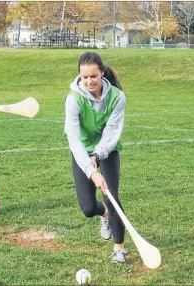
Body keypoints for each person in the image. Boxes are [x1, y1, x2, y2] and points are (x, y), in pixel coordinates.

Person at [64, 52, 127, 263]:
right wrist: (91, 171)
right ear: (80, 77)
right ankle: (104, 216)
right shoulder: (73, 100)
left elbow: (111, 133)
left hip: (108, 149)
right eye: (85, 77)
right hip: (82, 150)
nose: (90, 81)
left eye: (94, 76)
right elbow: (74, 140)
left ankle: (119, 248)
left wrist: (98, 155)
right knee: (88, 208)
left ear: (102, 73)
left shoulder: (117, 97)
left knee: (111, 196)